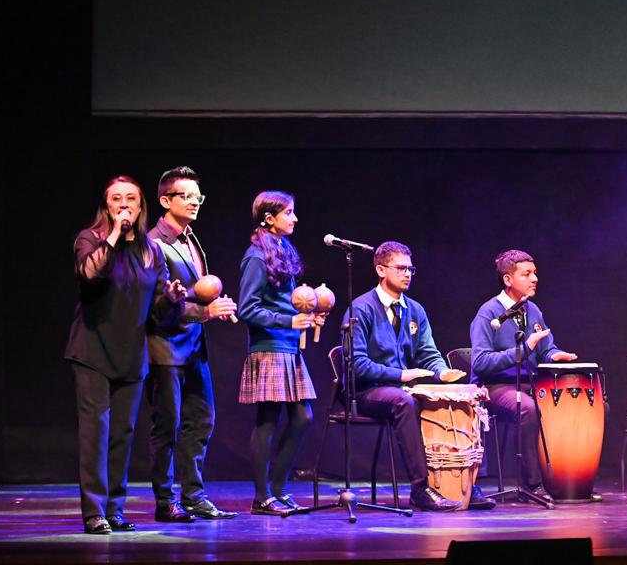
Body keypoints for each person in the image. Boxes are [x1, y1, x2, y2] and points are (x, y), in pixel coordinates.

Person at [65, 176, 186, 534]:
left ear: (140, 205)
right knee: (95, 434)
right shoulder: (91, 239)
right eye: (116, 199)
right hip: (92, 351)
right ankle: (94, 512)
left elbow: (158, 311)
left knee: (122, 434)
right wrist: (115, 234)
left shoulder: (151, 251)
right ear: (107, 206)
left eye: (130, 198)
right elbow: (90, 274)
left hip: (131, 354)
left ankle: (115, 509)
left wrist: (172, 298)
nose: (124, 204)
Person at [343, 241, 476, 512]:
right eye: (401, 268)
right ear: (381, 270)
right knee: (404, 401)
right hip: (366, 391)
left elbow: (428, 351)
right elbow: (356, 365)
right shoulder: (361, 309)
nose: (407, 274)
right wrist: (402, 374)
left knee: (455, 398)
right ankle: (420, 487)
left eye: (410, 269)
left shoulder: (414, 310)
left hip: (400, 388)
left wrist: (442, 371)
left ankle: (466, 483)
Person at [146, 166, 238, 522]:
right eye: (186, 196)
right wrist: (205, 312)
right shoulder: (154, 244)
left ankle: (194, 496)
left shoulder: (190, 238)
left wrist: (214, 307)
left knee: (201, 420)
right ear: (165, 200)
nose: (194, 202)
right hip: (166, 347)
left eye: (198, 197)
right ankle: (164, 500)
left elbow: (196, 292)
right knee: (167, 427)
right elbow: (156, 307)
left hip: (194, 347)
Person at [237, 191, 326, 515]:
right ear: (269, 218)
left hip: (288, 346)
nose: (295, 218)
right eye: (288, 212)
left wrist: (308, 315)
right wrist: (288, 320)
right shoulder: (256, 256)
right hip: (270, 347)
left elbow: (288, 302)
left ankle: (278, 489)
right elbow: (247, 308)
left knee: (303, 418)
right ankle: (262, 497)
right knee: (268, 419)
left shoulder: (282, 249)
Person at [469, 249, 578, 503]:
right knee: (528, 408)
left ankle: (568, 480)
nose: (535, 279)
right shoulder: (488, 313)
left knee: (572, 403)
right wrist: (523, 350)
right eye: (527, 274)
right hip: (495, 387)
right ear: (508, 279)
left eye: (535, 273)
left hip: (528, 383)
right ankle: (533, 484)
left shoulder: (532, 310)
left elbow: (546, 348)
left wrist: (555, 355)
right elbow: (481, 362)